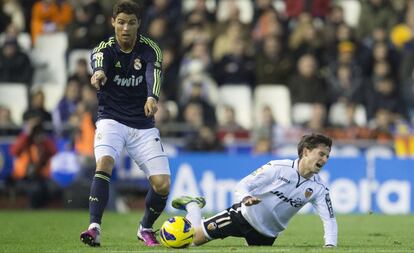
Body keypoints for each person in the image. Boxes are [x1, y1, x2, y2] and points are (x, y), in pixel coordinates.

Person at [80, 0, 170, 247]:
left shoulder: (151, 49)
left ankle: (145, 227)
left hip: (143, 124)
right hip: (111, 119)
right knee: (105, 163)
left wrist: (152, 97)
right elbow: (99, 65)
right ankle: (94, 228)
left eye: (131, 23)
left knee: (162, 185)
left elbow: (154, 73)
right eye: (121, 22)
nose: (126, 28)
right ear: (113, 23)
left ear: (139, 24)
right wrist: (99, 74)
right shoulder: (104, 49)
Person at [172, 133, 338, 247]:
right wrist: (245, 198)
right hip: (241, 217)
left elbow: (329, 219)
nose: (324, 160)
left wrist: (330, 245)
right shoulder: (278, 168)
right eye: (321, 154)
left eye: (327, 156)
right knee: (192, 240)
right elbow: (243, 185)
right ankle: (193, 206)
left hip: (267, 236)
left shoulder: (319, 188)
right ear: (306, 152)